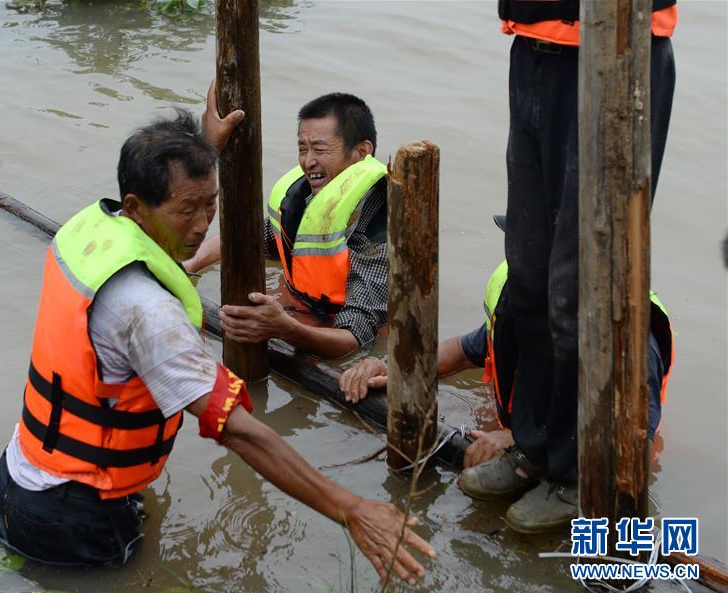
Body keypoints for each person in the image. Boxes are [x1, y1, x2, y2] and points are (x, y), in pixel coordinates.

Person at [0, 109, 434, 583]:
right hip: (71, 513)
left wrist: (205, 142)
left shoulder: (88, 229)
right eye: (187, 211)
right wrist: (353, 510)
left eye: (210, 205)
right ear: (137, 207)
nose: (202, 225)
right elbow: (239, 431)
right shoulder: (150, 312)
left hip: (19, 472)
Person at [481, 0, 678, 531]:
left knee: (583, 287)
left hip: (617, 53)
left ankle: (582, 474)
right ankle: (535, 448)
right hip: (533, 48)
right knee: (528, 275)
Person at [339, 252, 674, 530]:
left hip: (604, 447)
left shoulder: (627, 337)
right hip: (535, 428)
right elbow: (463, 350)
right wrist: (399, 370)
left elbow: (635, 449)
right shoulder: (521, 292)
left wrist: (520, 439)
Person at [184, 86, 388, 359]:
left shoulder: (379, 230)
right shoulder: (308, 196)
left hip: (338, 337)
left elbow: (355, 338)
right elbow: (253, 237)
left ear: (362, 152)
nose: (308, 161)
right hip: (297, 308)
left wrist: (284, 328)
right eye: (303, 148)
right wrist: (190, 265)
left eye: (319, 149)